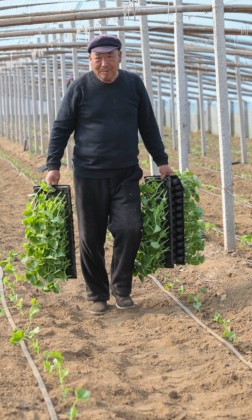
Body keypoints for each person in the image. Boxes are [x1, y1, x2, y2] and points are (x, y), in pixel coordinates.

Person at [45, 34, 173, 315]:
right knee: (91, 237)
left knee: (130, 227)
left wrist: (161, 161)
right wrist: (52, 164)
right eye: (98, 58)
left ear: (120, 57)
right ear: (90, 60)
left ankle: (121, 288)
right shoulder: (79, 87)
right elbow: (61, 127)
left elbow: (147, 125)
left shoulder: (133, 85)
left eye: (109, 57)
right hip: (88, 174)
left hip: (125, 173)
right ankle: (97, 294)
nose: (104, 64)